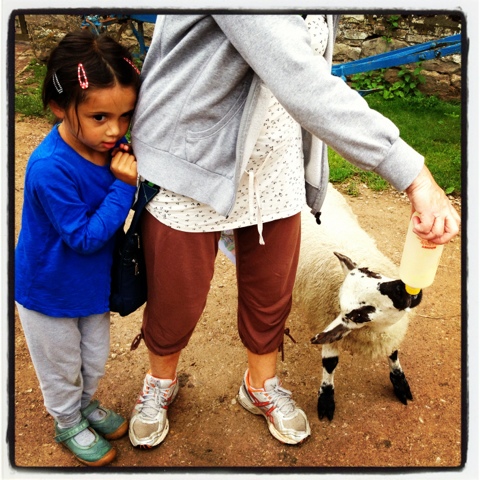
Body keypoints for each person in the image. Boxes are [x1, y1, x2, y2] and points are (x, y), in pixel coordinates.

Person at [128, 14, 460, 448]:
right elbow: (297, 75)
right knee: (177, 295)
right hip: (190, 162)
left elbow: (310, 65)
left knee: (271, 291)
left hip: (275, 168)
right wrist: (413, 176)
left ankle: (260, 386)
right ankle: (160, 383)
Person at [15, 30, 141, 466]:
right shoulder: (50, 168)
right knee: (60, 365)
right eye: (99, 117)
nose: (115, 129)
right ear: (58, 106)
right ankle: (67, 419)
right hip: (48, 291)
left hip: (90, 286)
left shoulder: (111, 149)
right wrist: (124, 187)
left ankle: (85, 404)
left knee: (93, 358)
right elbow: (84, 238)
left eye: (125, 116)